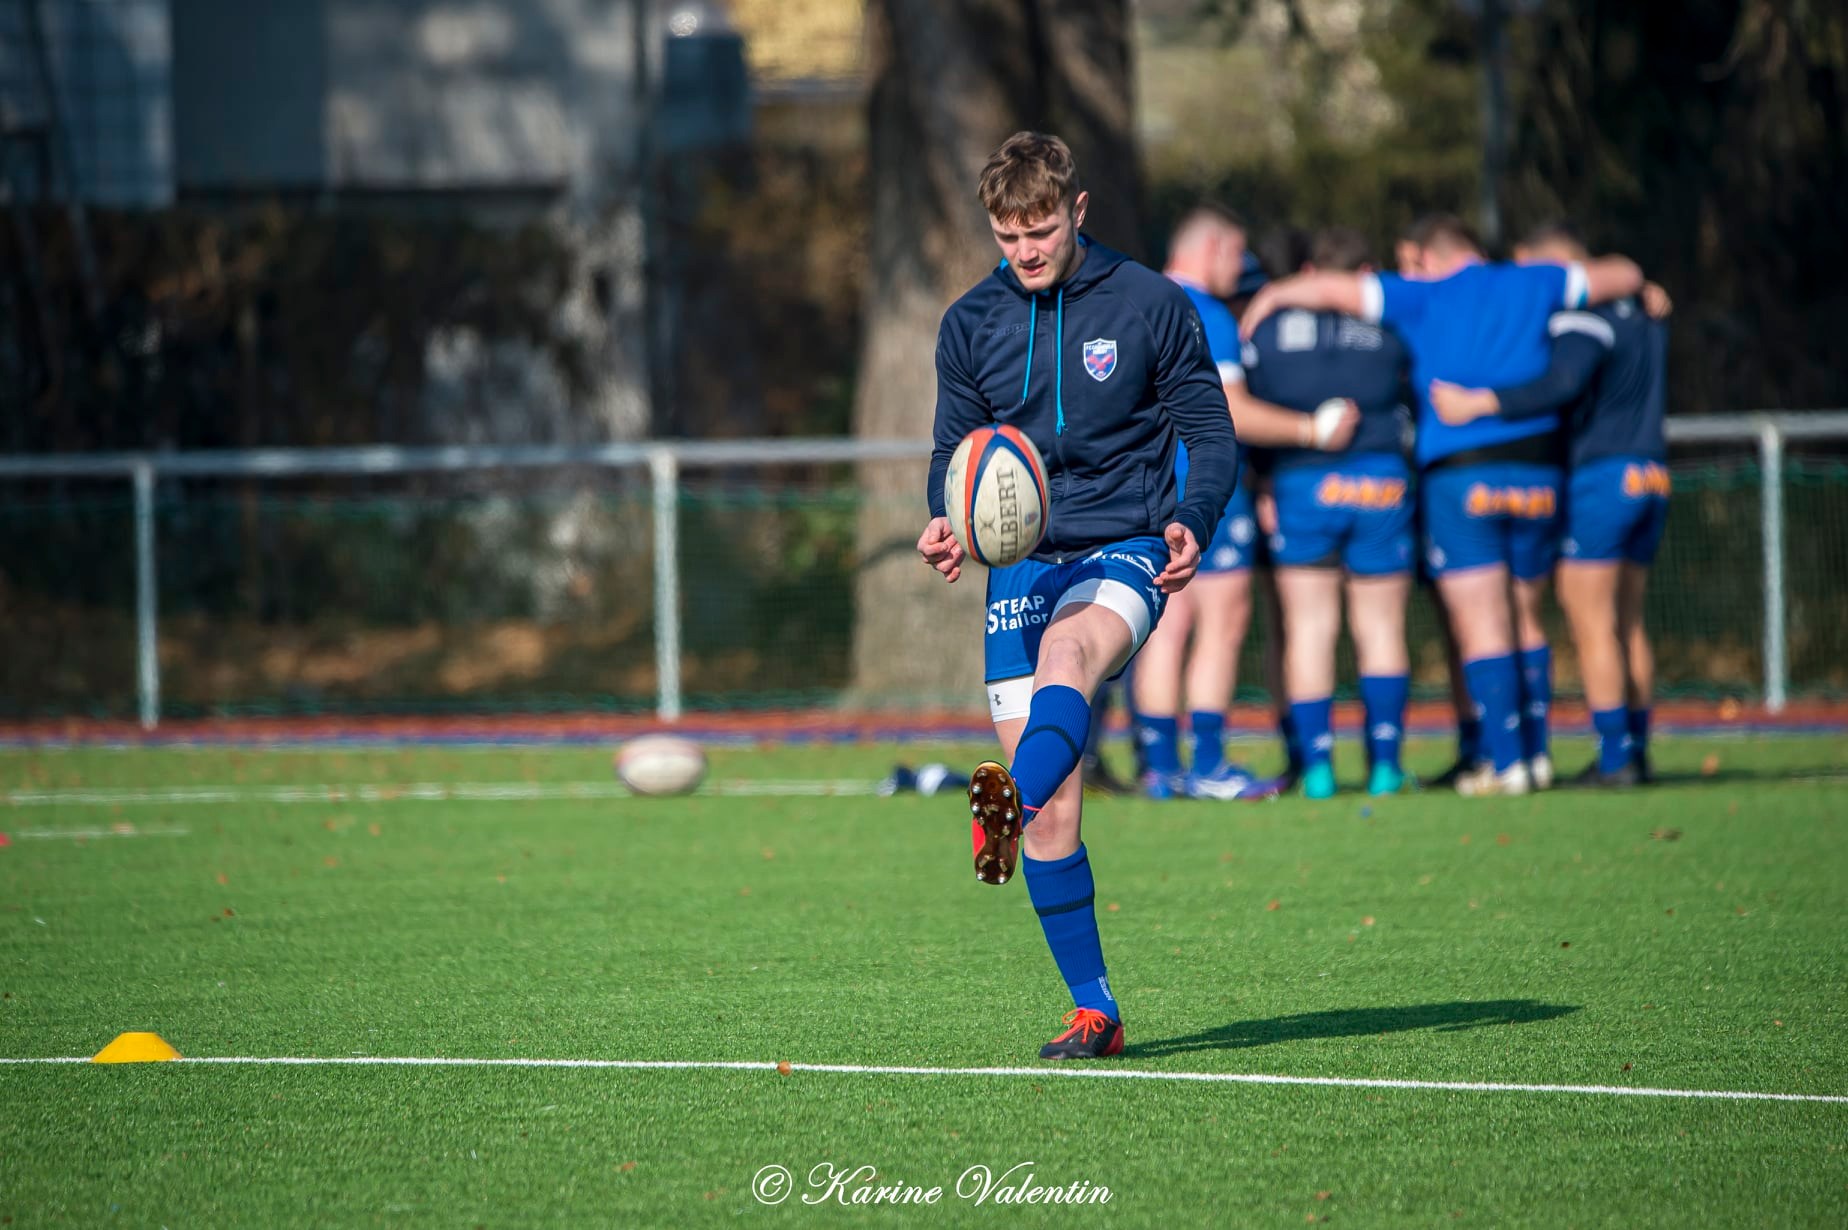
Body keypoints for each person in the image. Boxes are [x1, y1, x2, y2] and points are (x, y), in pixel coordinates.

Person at [917, 132, 1239, 1059]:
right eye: (1008, 233)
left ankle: (1001, 802)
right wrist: (945, 521)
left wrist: (1193, 518)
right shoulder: (969, 322)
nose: (1025, 249)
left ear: (1078, 211)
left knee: (1070, 658)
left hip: (1123, 547)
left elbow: (1210, 435)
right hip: (1017, 567)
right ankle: (1095, 1009)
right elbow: (954, 454)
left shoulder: (1150, 303)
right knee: (1056, 814)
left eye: (1042, 229)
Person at [1241, 213, 1644, 796]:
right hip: (1537, 471)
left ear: (1424, 256)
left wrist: (1272, 295)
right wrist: (1642, 287)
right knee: (1525, 616)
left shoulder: (1423, 293)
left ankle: (1503, 763)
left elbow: (1328, 286)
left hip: (1463, 473)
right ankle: (1535, 755)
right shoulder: (1538, 281)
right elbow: (1623, 271)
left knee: (1481, 623)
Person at [1430, 221, 1672, 786]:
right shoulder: (1645, 313)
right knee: (1629, 621)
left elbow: (1560, 383)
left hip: (1601, 476)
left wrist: (1482, 402)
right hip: (1651, 471)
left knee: (1592, 622)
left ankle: (1615, 760)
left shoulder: (1580, 317)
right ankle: (1636, 749)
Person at [1231, 226, 1414, 798]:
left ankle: (1317, 770)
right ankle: (1384, 767)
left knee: (1310, 629)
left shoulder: (1268, 327)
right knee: (1380, 627)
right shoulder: (1391, 319)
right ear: (1367, 274)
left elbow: (1248, 408)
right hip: (1380, 481)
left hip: (1300, 482)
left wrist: (1260, 478)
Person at [1131, 206, 1303, 800]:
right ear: (1212, 250)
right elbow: (1231, 412)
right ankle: (1206, 765)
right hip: (1202, 490)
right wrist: (1314, 430)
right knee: (1220, 624)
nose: (1241, 268)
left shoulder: (1131, 299)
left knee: (1161, 628)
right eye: (1236, 254)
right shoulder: (1206, 313)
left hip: (1138, 492)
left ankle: (1158, 768)